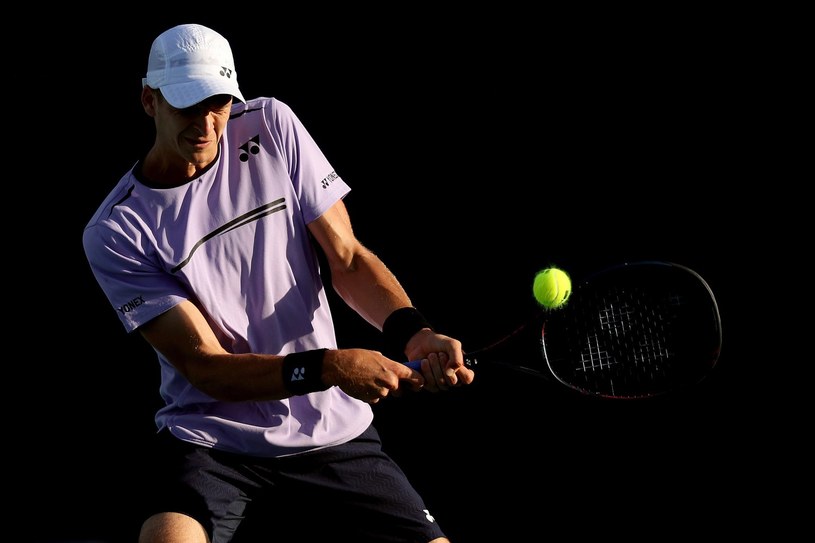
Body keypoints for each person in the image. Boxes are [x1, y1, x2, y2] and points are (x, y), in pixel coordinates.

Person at [82, 23, 475, 543]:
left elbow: (348, 258)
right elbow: (207, 369)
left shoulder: (271, 125)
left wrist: (413, 333)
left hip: (331, 431)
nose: (205, 122)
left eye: (218, 103)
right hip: (210, 438)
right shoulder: (116, 228)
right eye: (186, 104)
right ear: (149, 101)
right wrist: (333, 366)